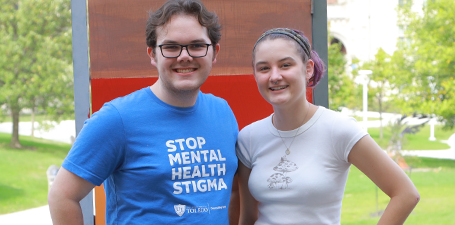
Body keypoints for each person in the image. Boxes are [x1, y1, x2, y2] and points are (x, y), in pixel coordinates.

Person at [48, 0, 239, 224]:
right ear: (152, 54)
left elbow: (232, 191)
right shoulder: (117, 119)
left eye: (197, 45)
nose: (184, 56)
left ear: (214, 52)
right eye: (171, 47)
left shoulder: (223, 112)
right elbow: (62, 195)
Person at [236, 28, 420, 225]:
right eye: (264, 68)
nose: (274, 76)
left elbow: (406, 194)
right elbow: (248, 217)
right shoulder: (248, 138)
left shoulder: (338, 129)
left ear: (308, 69)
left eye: (285, 65)